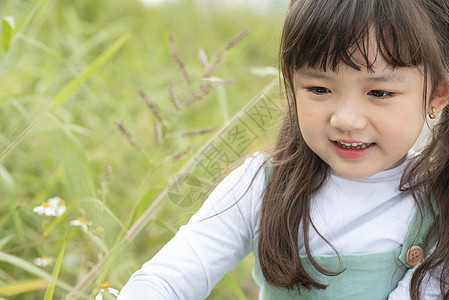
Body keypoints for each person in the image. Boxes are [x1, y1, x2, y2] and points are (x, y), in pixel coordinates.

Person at [118, 0, 449, 299]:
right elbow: (168, 278)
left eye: (379, 93)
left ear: (436, 94)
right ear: (292, 82)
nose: (346, 119)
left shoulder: (439, 205)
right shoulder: (261, 185)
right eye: (319, 88)